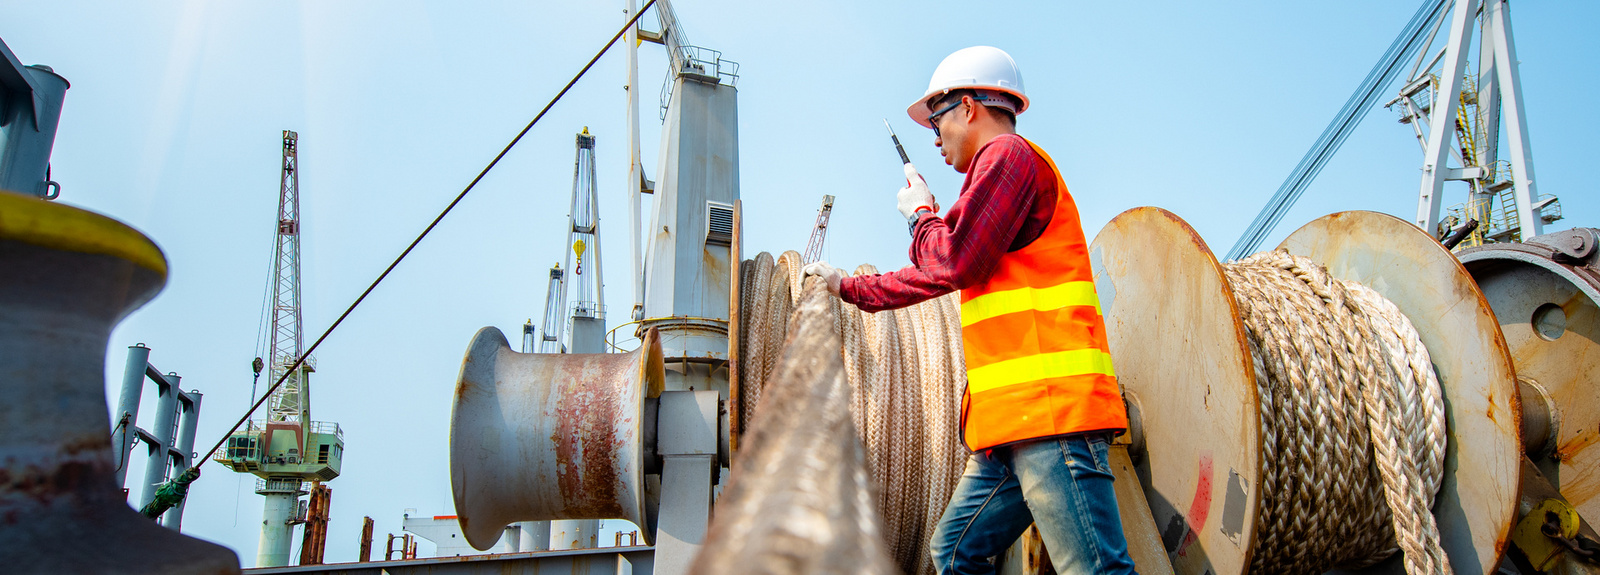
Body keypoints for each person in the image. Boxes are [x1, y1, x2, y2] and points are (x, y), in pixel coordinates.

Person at [802, 46, 1137, 575]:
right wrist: (859, 280)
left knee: (1094, 571)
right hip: (1007, 426)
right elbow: (951, 255)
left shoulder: (1009, 158)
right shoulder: (994, 176)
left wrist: (917, 220)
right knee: (955, 551)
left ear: (969, 107)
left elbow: (953, 261)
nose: (933, 137)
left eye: (936, 121)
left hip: (1050, 414)